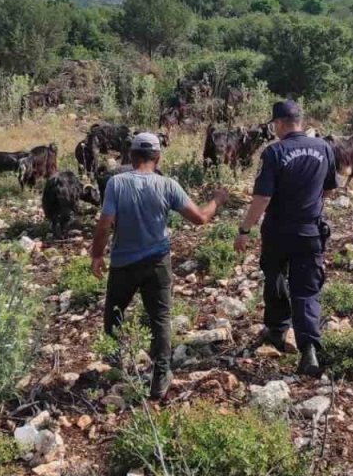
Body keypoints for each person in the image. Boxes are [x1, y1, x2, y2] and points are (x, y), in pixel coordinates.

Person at [90, 132, 228, 400]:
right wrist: (217, 200)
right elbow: (199, 218)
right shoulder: (168, 185)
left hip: (122, 264)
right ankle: (160, 377)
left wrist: (97, 256)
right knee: (160, 319)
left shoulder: (116, 184)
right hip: (157, 263)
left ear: (130, 156)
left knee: (114, 315)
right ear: (158, 157)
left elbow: (105, 225)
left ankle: (117, 367)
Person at [234, 100, 337, 376]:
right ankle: (309, 351)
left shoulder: (274, 152)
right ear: (299, 121)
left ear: (279, 123)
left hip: (279, 231)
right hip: (310, 231)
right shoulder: (324, 147)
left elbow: (263, 197)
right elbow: (328, 191)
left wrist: (245, 229)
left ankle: (278, 330)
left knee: (275, 276)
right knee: (306, 290)